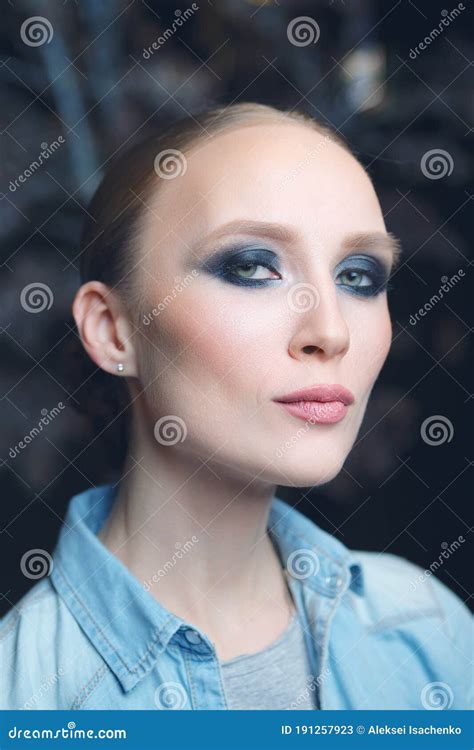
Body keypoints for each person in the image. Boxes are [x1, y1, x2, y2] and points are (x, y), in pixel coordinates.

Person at [1, 102, 471, 710]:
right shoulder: (25, 697)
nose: (331, 332)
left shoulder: (427, 630)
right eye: (252, 267)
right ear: (115, 330)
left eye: (358, 276)